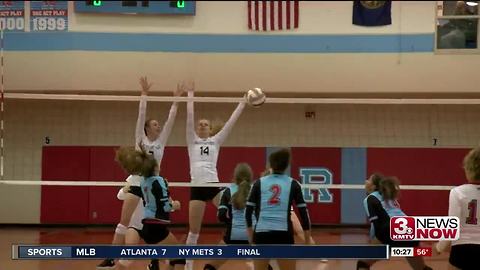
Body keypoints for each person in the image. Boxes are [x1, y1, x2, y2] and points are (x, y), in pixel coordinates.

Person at [97, 77, 184, 270]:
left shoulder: (161, 142)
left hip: (152, 185)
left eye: (158, 125)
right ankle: (111, 257)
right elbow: (141, 113)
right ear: (146, 128)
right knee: (125, 222)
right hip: (136, 182)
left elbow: (170, 122)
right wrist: (144, 94)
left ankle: (154, 261)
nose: (158, 126)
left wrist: (176, 101)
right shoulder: (140, 140)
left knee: (149, 225)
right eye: (154, 125)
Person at [185, 82, 246, 270]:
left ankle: (249, 254)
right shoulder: (191, 140)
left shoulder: (215, 141)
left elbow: (230, 123)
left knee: (237, 216)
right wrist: (190, 95)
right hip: (196, 186)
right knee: (194, 230)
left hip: (213, 185)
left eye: (206, 124)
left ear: (211, 129)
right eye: (200, 124)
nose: (202, 126)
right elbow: (189, 117)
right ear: (197, 128)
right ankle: (188, 265)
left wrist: (242, 103)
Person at [115, 146, 185, 270]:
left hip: (147, 224)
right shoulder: (157, 181)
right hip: (153, 226)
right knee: (179, 256)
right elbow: (164, 205)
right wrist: (175, 205)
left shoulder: (143, 182)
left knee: (169, 256)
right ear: (155, 167)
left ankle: (153, 263)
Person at [246, 149, 311, 270]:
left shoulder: (259, 183)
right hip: (283, 235)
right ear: (287, 165)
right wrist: (307, 238)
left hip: (262, 234)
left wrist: (250, 235)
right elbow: (303, 213)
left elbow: (248, 211)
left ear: (270, 164)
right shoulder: (293, 184)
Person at [356, 174, 432, 270]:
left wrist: (373, 242)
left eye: (369, 180)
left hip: (390, 230)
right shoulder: (390, 197)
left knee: (363, 263)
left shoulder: (370, 198)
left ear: (373, 186)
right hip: (410, 228)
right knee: (421, 268)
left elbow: (376, 225)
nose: (366, 181)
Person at [203, 163, 255, 270]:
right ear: (250, 176)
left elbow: (221, 216)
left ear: (235, 176)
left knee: (209, 267)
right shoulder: (256, 190)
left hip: (232, 237)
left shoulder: (228, 191)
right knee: (265, 267)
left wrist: (230, 224)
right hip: (252, 237)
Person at [435, 147, 480, 270]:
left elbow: (452, 226)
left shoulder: (457, 192)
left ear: (469, 169)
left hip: (462, 250)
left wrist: (440, 247)